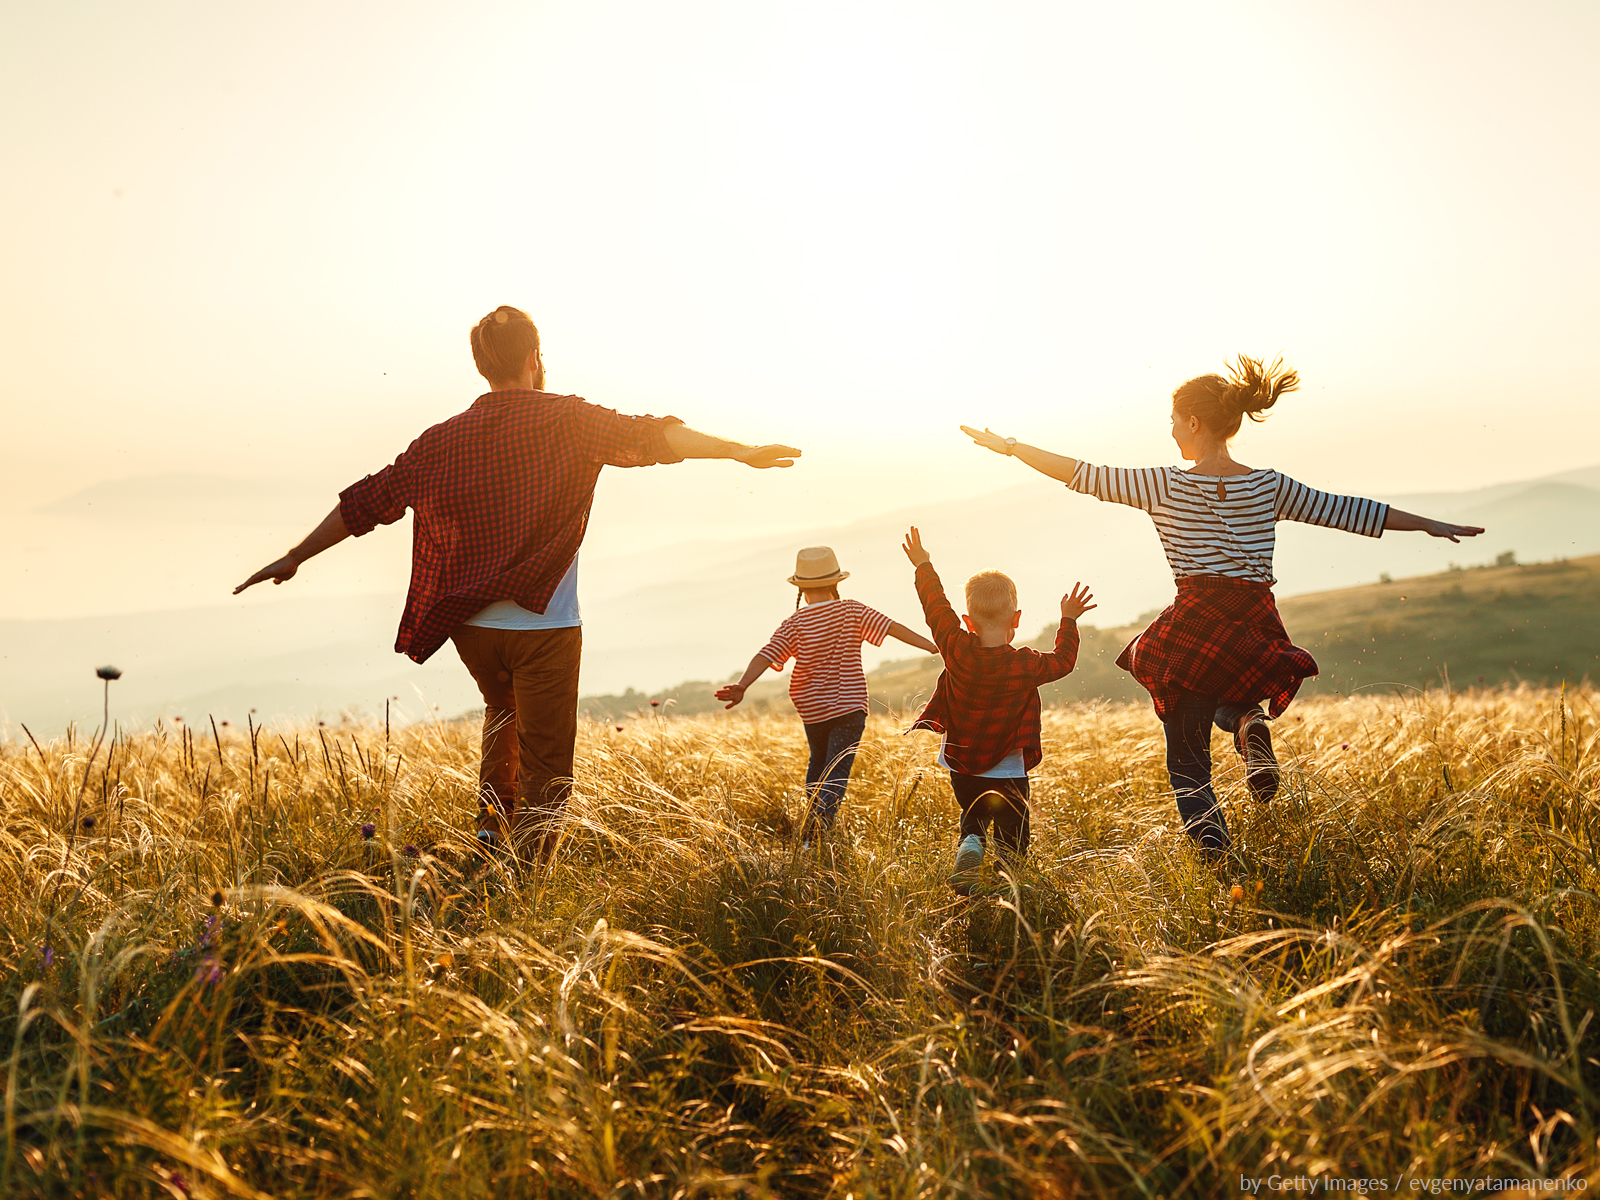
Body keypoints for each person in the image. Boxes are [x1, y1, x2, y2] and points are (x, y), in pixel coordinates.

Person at [235, 305, 801, 861]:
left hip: (471, 630)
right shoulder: (569, 420)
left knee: (501, 713)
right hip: (544, 627)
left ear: (483, 367)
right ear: (535, 358)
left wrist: (295, 556)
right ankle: (526, 876)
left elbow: (369, 501)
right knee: (548, 763)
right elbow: (654, 437)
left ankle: (489, 832)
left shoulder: (441, 440)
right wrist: (739, 451)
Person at [960, 355, 1483, 862]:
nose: (1169, 432)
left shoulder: (1164, 484)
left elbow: (1079, 472)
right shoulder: (1268, 484)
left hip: (1197, 618)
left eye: (1172, 421)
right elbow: (1349, 511)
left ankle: (1220, 864)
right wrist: (1430, 524)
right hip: (1255, 619)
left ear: (1193, 420)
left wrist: (1009, 447)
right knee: (1223, 694)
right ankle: (1248, 723)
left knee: (1187, 763)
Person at [899, 526, 1095, 894]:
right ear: (1016, 619)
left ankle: (971, 841)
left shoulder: (955, 647)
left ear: (968, 621)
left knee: (973, 813)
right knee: (1013, 834)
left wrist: (923, 565)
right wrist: (1068, 620)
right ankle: (1008, 886)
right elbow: (1064, 661)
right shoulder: (1025, 664)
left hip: (961, 762)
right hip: (1008, 767)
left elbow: (935, 608)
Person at [716, 546, 938, 842]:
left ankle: (809, 832)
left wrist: (743, 685)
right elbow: (891, 627)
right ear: (836, 582)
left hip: (812, 709)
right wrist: (931, 645)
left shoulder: (794, 624)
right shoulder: (851, 610)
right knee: (837, 770)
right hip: (849, 706)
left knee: (818, 764)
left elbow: (765, 654)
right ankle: (818, 830)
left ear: (801, 589)